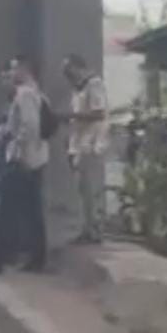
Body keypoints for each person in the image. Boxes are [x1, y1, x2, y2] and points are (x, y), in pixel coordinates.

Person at [0, 56, 49, 274]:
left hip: (20, 161)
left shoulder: (24, 94)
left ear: (24, 69)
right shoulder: (37, 92)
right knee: (31, 213)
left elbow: (28, 128)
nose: (12, 73)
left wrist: (18, 153)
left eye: (14, 69)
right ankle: (36, 259)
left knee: (5, 212)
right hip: (34, 160)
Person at [61, 54, 109, 244]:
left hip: (90, 143)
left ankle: (94, 230)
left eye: (69, 71)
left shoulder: (94, 84)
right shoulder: (77, 89)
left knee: (89, 188)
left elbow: (98, 113)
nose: (66, 76)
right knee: (81, 189)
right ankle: (86, 228)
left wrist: (71, 115)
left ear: (79, 67)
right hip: (78, 144)